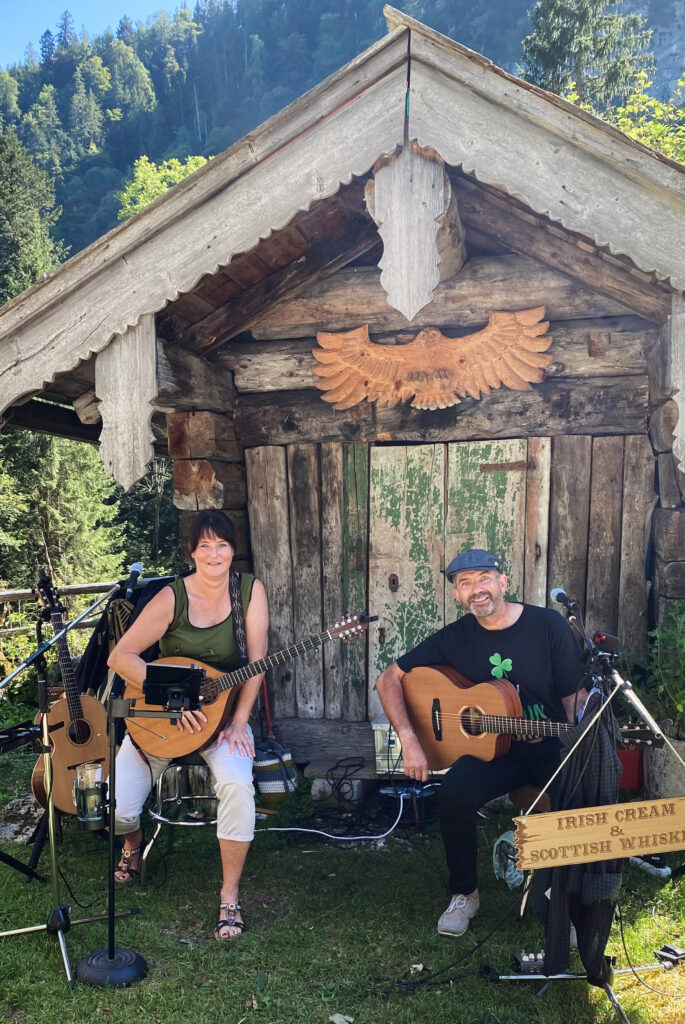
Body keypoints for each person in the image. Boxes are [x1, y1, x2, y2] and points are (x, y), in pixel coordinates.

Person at [376, 548, 587, 937]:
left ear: (503, 581)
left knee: (574, 794)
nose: (477, 590)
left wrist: (582, 737)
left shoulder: (547, 627)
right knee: (455, 791)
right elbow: (388, 679)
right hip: (495, 751)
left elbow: (575, 700)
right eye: (465, 583)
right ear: (457, 595)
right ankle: (465, 894)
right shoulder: (455, 638)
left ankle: (562, 900)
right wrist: (410, 739)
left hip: (549, 746)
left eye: (484, 578)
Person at [107, 509, 269, 941]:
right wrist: (170, 696)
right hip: (161, 720)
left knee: (237, 786)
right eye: (205, 546)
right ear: (192, 552)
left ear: (233, 550)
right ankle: (133, 843)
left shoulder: (249, 592)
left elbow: (255, 664)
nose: (214, 554)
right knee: (119, 808)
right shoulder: (171, 597)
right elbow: (121, 657)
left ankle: (229, 895)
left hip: (221, 722)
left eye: (222, 545)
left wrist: (237, 723)